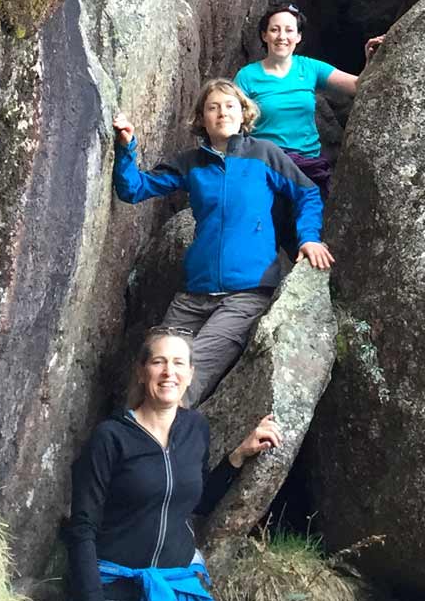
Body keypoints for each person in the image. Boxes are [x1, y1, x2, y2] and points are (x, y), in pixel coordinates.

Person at [47, 329, 283, 601]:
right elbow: (82, 530)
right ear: (142, 372)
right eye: (158, 361)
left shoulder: (195, 429)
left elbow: (193, 501)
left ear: (190, 374)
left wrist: (238, 457)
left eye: (178, 363)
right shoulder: (110, 438)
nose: (168, 372)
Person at [111, 78, 333, 407]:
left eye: (230, 106)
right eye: (212, 108)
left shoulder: (264, 154)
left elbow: (307, 193)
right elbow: (134, 189)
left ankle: (162, 437)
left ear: (243, 114)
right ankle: (134, 437)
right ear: (201, 118)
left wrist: (309, 238)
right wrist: (126, 146)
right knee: (152, 369)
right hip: (193, 294)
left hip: (246, 293)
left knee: (185, 375)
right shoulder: (191, 163)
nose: (222, 113)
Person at [232, 2, 385, 198]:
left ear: (298, 36)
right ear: (264, 35)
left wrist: (370, 58)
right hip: (265, 165)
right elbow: (232, 122)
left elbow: (357, 87)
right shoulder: (247, 76)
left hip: (307, 166)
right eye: (275, 30)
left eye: (289, 30)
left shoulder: (309, 67)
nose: (282, 36)